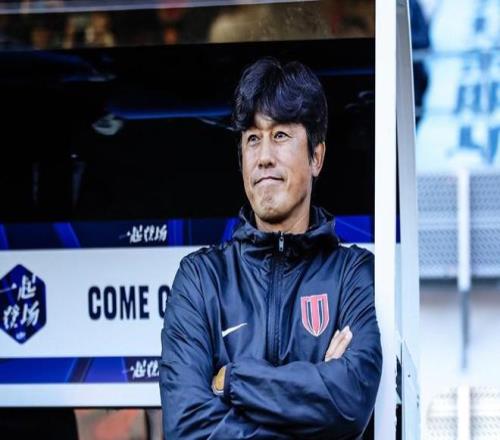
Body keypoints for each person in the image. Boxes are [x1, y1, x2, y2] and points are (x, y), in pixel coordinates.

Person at [160, 57, 382, 439]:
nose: (263, 156)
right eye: (252, 138)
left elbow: (349, 404)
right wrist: (315, 408)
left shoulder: (352, 274)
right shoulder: (201, 279)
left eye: (279, 135)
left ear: (316, 157)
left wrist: (233, 381)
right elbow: (186, 428)